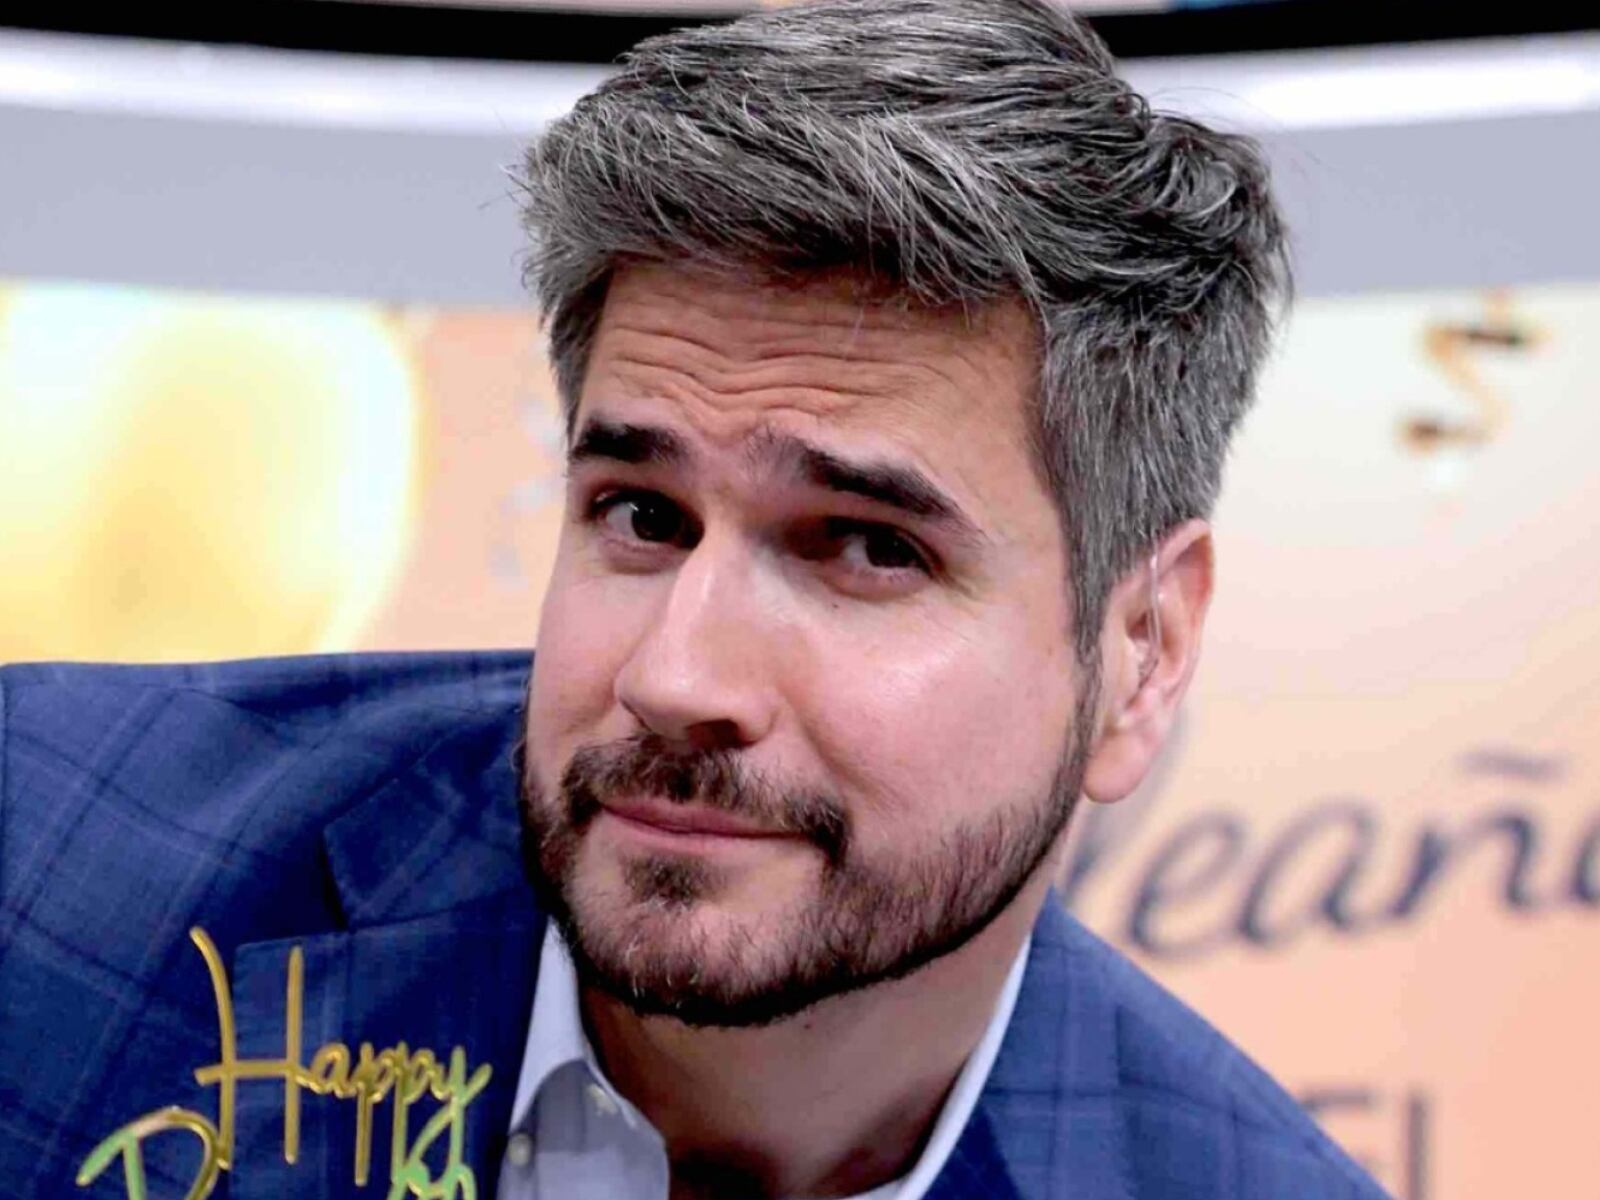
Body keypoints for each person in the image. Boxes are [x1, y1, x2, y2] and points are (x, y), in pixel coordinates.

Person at [0, 0, 1389, 1197]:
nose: (675, 678)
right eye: (642, 516)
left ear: (1143, 652)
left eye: (864, 549)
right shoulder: (42, 872)